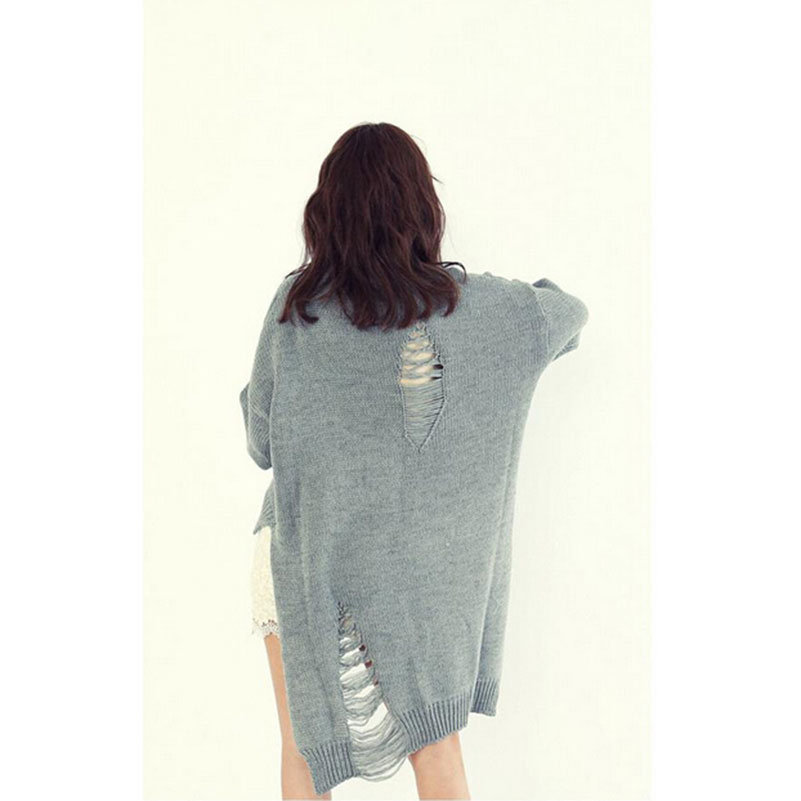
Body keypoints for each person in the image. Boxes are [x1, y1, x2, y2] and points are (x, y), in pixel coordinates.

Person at [240, 122, 589, 799]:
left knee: (304, 751)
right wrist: (466, 292)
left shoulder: (297, 310)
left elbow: (262, 443)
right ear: (422, 209)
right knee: (438, 752)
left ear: (327, 213)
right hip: (419, 583)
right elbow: (564, 313)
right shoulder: (478, 309)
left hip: (305, 565)